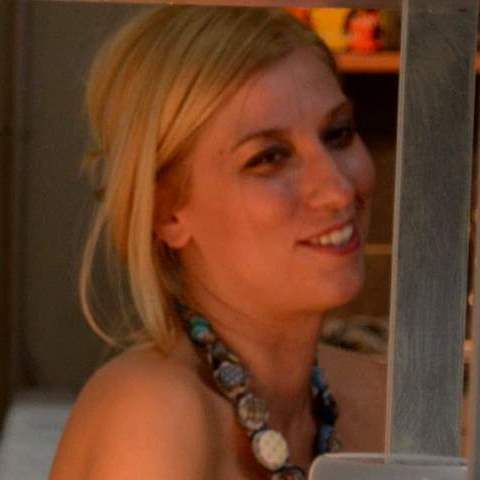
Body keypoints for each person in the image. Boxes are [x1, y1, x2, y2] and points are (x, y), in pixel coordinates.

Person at [49, 6, 386, 479]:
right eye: (269, 158)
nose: (338, 190)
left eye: (338, 134)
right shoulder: (153, 413)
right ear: (165, 212)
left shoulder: (375, 396)